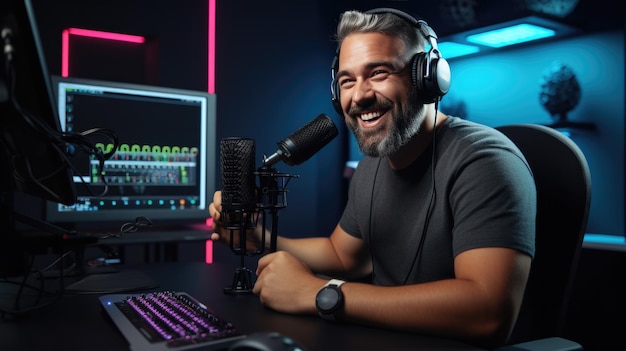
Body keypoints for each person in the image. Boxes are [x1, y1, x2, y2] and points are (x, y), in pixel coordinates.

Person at [209, 8, 536, 348]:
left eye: (378, 73)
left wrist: (321, 293)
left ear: (428, 78)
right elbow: (343, 256)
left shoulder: (485, 161)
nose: (359, 95)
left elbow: (487, 312)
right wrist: (258, 238)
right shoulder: (373, 165)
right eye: (347, 81)